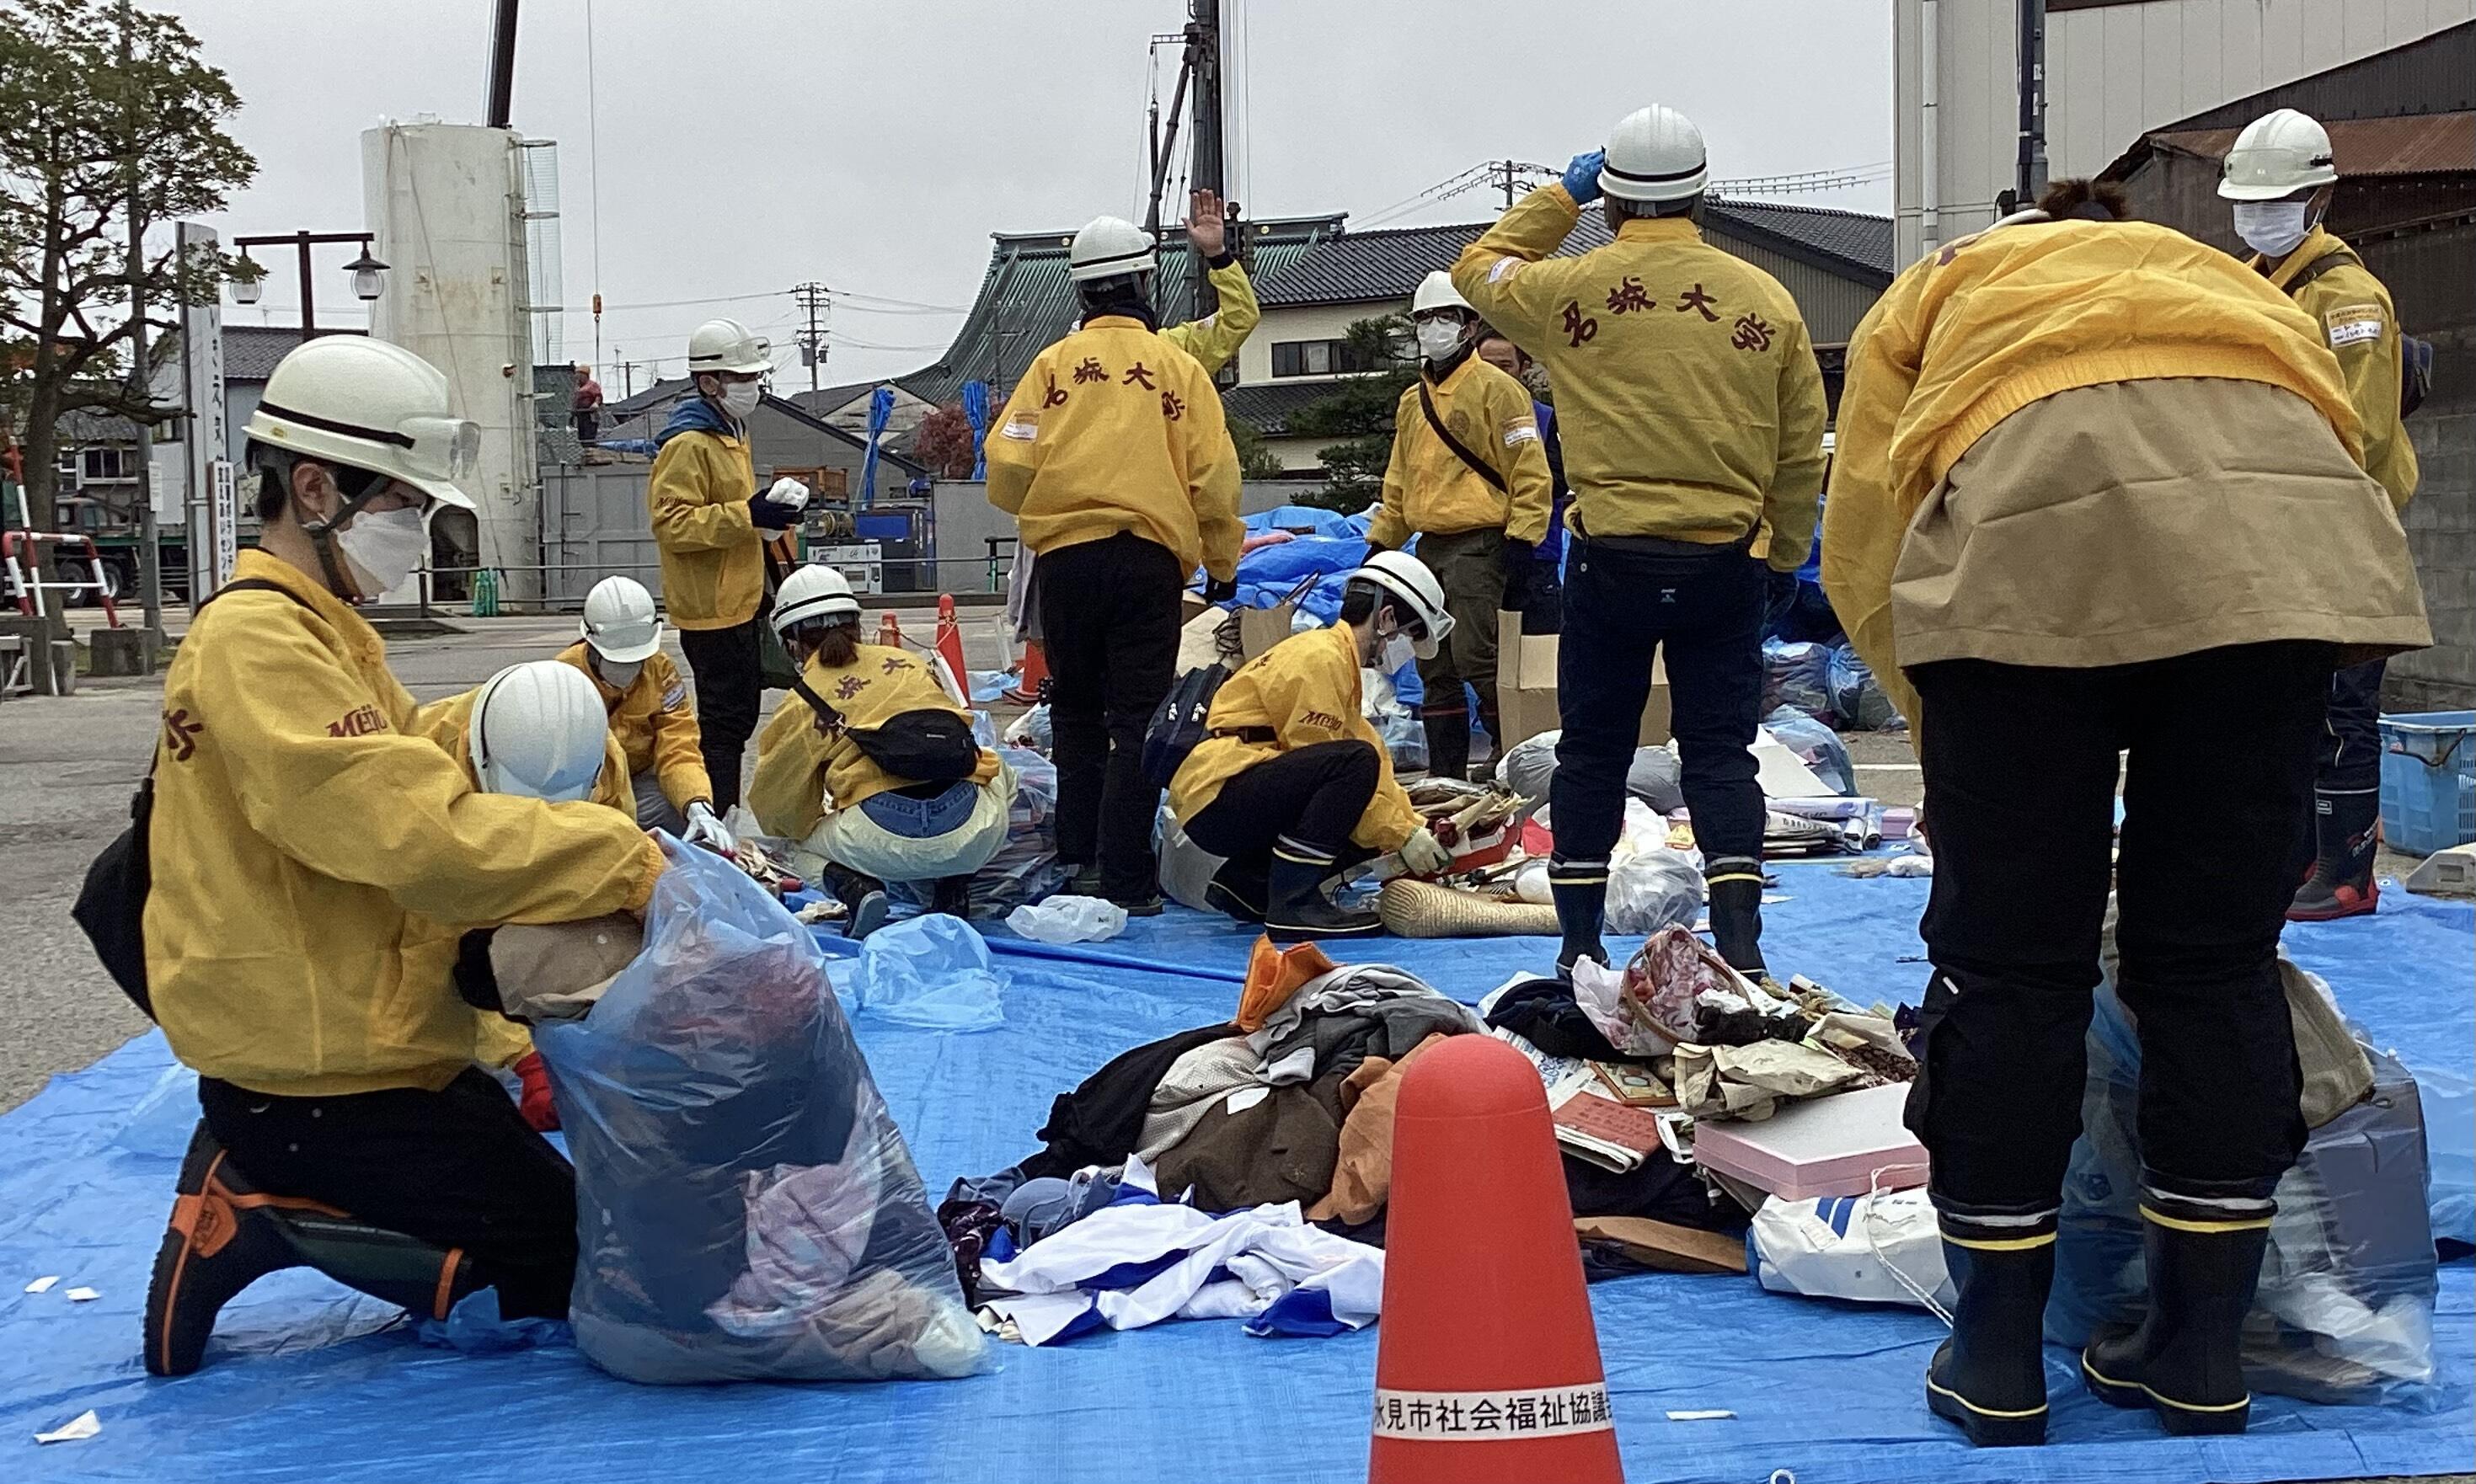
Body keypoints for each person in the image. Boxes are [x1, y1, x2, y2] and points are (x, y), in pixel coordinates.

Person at [1821, 178, 2426, 1447]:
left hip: (2023, 549)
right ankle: (2198, 1354)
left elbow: (1865, 530)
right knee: (2212, 965)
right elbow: (2371, 459)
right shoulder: (2221, 284)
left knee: (2006, 970)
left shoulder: (1939, 288)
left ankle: (1992, 1356)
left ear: (2010, 236)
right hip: (2273, 558)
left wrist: (1948, 748)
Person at [139, 336, 668, 1377]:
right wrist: (624, 857)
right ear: (315, 487)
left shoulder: (322, 631)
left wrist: (503, 728)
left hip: (377, 1047)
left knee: (590, 1226)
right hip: (314, 1079)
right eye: (402, 507)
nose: (415, 535)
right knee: (567, 1265)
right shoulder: (260, 644)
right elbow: (414, 839)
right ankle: (256, 1204)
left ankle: (296, 1183)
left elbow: (393, 765)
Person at [1454, 104, 1827, 975]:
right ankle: (1738, 945)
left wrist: (1558, 198)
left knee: (1593, 751)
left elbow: (1477, 270)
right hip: (1722, 559)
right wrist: (1779, 556)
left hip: (1611, 560)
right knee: (1717, 753)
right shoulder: (1762, 300)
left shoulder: (1569, 291)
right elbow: (1797, 445)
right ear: (1701, 192)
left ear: (1611, 198)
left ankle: (1579, 945)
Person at [986, 214, 1243, 913]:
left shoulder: (1050, 367)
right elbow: (1214, 483)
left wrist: (1050, 502)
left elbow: (1006, 463)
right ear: (1141, 281)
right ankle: (1127, 879)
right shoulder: (1177, 368)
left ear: (1081, 291)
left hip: (1064, 559)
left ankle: (1076, 856)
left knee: (1071, 711)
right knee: (1136, 718)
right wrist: (1221, 564)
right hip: (1147, 560)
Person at [2220, 108, 2425, 921]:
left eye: (2277, 199)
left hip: (2341, 527)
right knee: (2292, 707)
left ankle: (2346, 873)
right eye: (2249, 200)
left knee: (2340, 707)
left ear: (2319, 198)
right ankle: (2301, 858)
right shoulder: (2257, 282)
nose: (2258, 214)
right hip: (2283, 527)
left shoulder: (2346, 300)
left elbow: (2362, 433)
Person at [1168, 552, 1454, 937]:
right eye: (1406, 635)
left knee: (1362, 781)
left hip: (1232, 790)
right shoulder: (1321, 660)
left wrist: (1413, 828)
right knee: (1351, 769)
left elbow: (1377, 773)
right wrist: (1400, 836)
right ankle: (1293, 904)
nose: (1401, 651)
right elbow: (1326, 761)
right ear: (1386, 618)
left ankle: (1248, 886)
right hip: (1217, 794)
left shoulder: (1339, 668)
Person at [414, 659, 639, 1133]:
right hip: (458, 925)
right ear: (478, 757)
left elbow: (611, 880)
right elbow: (434, 930)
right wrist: (522, 1055)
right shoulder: (421, 764)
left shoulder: (597, 755)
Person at [749, 564, 1017, 935]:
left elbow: (776, 805)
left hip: (883, 837)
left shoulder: (802, 701)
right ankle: (953, 885)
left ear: (791, 641)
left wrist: (824, 813)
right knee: (1003, 770)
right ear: (856, 623)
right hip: (973, 830)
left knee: (793, 845)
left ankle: (858, 890)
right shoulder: (908, 662)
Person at [1364, 273, 1553, 780]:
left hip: (1479, 541)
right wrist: (1383, 541)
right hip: (1429, 546)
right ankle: (1445, 770)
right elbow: (1400, 480)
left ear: (1469, 327)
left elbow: (1530, 469)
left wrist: (1523, 534)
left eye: (1445, 318)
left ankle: (1509, 750)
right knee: (1433, 660)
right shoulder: (1413, 402)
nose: (1433, 328)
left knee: (1475, 653)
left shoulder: (1498, 390)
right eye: (1425, 319)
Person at [649, 317, 803, 817]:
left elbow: (729, 513)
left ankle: (722, 814)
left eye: (754, 377)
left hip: (740, 598)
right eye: (742, 378)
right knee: (722, 725)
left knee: (735, 721)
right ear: (708, 381)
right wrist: (748, 515)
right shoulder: (688, 443)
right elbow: (673, 524)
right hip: (711, 608)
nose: (752, 387)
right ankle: (716, 818)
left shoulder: (730, 432)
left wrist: (767, 519)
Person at [554, 574, 735, 851]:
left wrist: (695, 802)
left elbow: (678, 745)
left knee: (678, 811)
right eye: (618, 659)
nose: (630, 668)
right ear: (590, 645)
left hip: (636, 787)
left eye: (638, 659)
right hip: (580, 796)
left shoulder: (659, 670)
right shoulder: (561, 677)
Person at [1474, 328, 1571, 633]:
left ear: (1523, 367)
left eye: (1505, 367)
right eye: (1486, 366)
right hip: (1477, 551)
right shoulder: (1461, 417)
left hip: (1535, 554)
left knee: (1538, 653)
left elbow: (1557, 480)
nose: (1495, 375)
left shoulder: (1544, 418)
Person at [571, 362, 603, 446]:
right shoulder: (578, 388)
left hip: (589, 414)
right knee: (582, 436)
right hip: (580, 414)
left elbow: (598, 395)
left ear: (585, 375)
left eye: (579, 375)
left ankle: (591, 450)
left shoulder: (592, 385)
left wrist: (596, 403)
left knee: (589, 436)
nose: (577, 377)